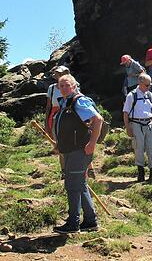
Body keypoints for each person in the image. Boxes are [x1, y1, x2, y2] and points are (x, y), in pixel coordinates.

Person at [52, 74, 104, 234]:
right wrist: (59, 144)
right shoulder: (64, 103)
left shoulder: (79, 101)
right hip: (69, 150)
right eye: (61, 86)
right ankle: (90, 221)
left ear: (74, 86)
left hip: (79, 150)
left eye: (67, 85)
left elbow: (98, 119)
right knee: (80, 185)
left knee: (72, 186)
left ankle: (73, 223)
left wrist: (92, 143)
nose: (64, 88)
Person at [122, 73, 152, 183]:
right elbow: (125, 113)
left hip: (149, 124)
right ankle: (141, 172)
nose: (149, 87)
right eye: (147, 85)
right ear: (140, 83)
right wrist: (128, 128)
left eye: (150, 85)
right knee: (139, 148)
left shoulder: (150, 95)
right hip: (136, 124)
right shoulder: (131, 95)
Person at [45, 66, 69, 139]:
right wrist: (46, 122)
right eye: (57, 74)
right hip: (55, 116)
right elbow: (48, 106)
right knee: (56, 138)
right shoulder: (51, 88)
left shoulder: (72, 87)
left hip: (68, 116)